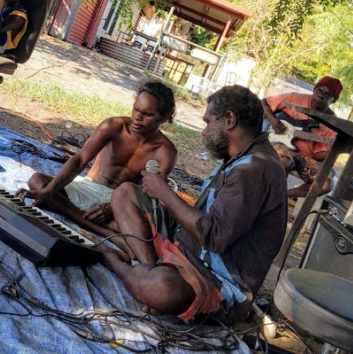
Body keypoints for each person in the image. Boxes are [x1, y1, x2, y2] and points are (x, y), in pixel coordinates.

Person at [94, 85, 287, 323]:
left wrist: (163, 192)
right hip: (189, 249)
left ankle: (111, 259)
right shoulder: (243, 157)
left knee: (162, 288)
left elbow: (214, 236)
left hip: (216, 278)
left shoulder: (253, 171)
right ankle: (149, 269)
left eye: (208, 122)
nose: (204, 132)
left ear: (228, 120)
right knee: (125, 194)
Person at [15, 81, 178, 236]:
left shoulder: (166, 152)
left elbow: (152, 194)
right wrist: (47, 191)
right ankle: (103, 230)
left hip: (120, 203)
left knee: (142, 229)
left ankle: (65, 209)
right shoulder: (114, 126)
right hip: (87, 189)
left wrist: (112, 207)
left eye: (146, 114)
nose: (137, 117)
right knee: (37, 181)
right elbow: (79, 160)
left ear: (163, 117)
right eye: (135, 109)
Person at [262, 76, 343, 198]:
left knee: (326, 184)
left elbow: (317, 155)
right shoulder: (295, 98)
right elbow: (265, 103)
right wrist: (273, 121)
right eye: (320, 91)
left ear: (333, 100)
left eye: (328, 94)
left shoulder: (333, 122)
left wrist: (335, 149)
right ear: (314, 90)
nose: (321, 96)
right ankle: (268, 197)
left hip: (305, 157)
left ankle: (281, 196)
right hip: (279, 144)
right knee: (285, 161)